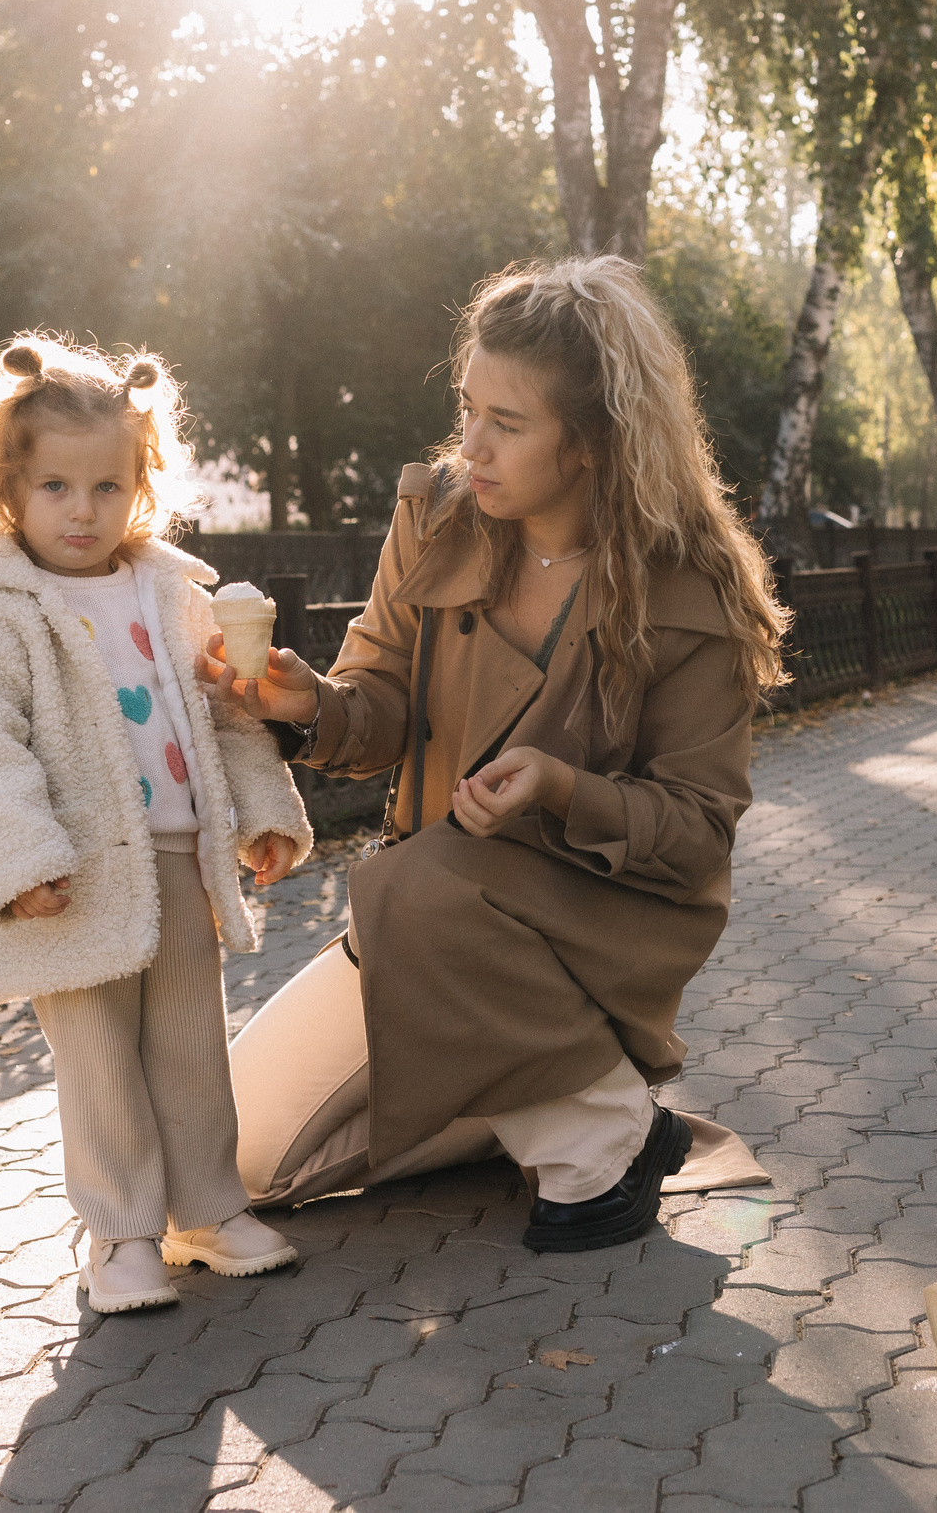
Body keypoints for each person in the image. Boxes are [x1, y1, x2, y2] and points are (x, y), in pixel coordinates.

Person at [202, 256, 787, 1252]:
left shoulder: (693, 592)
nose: (471, 444)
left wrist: (560, 788)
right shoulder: (436, 516)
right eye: (467, 408)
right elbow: (379, 700)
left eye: (507, 424)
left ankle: (602, 1140)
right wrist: (312, 707)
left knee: (426, 882)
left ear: (593, 443)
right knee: (235, 1163)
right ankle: (528, 1092)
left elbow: (696, 833)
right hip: (433, 929)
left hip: (589, 928)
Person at [0, 337, 315, 1314]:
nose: (82, 510)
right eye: (55, 486)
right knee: (99, 1061)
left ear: (141, 484)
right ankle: (121, 1234)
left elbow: (228, 709)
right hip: (71, 877)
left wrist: (263, 812)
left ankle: (205, 1209)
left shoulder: (171, 591)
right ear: (9, 487)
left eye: (107, 486)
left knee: (189, 1044)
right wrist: (20, 863)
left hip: (178, 857)